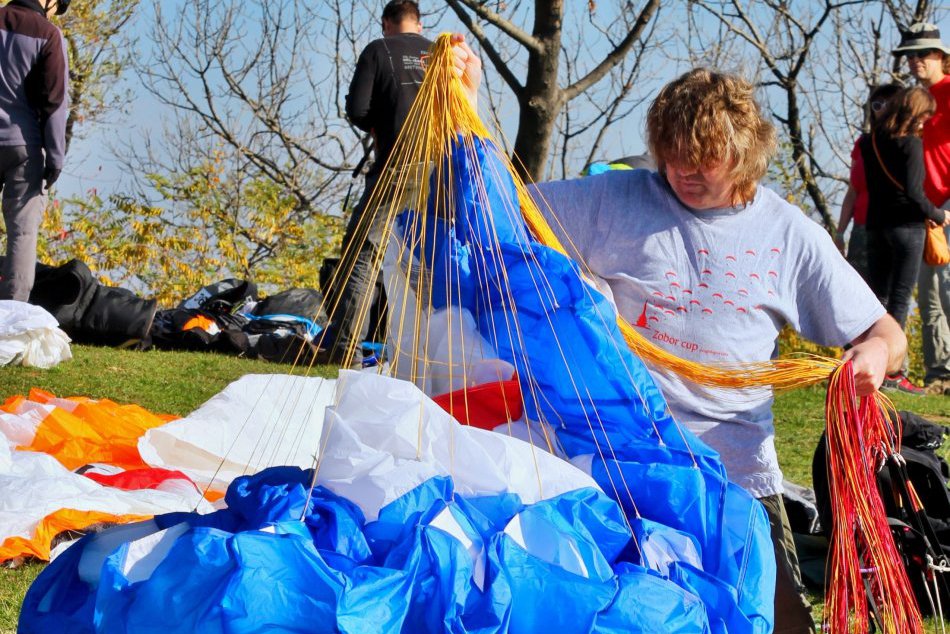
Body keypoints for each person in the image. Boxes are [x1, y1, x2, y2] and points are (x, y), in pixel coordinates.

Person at [448, 43, 906, 632]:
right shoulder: (614, 201)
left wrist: (872, 353)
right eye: (672, 157)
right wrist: (470, 102)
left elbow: (886, 334)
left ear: (743, 154)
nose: (683, 172)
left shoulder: (789, 235)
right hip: (627, 469)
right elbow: (497, 216)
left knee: (776, 622)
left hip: (737, 481)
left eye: (704, 159)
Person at [320, 0, 433, 365]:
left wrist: (378, 124)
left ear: (387, 23)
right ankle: (432, 357)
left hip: (396, 169)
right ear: (418, 23)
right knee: (426, 262)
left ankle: (345, 354)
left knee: (363, 256)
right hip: (442, 173)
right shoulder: (441, 55)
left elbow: (356, 108)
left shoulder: (378, 50)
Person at [859, 86, 947, 395]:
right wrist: (937, 215)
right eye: (924, 117)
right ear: (914, 114)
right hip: (907, 227)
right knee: (898, 300)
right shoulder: (910, 145)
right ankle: (891, 371)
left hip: (876, 225)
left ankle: (867, 363)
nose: (925, 124)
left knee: (875, 301)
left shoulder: (869, 142)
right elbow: (913, 192)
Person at [0, 0, 70, 302]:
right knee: (22, 234)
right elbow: (55, 103)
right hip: (24, 146)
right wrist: (56, 157)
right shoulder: (48, 34)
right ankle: (10, 320)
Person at [898, 23, 950, 396]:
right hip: (923, 206)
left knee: (948, 289)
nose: (914, 61)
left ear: (940, 56)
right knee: (928, 293)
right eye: (909, 55)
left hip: (948, 203)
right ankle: (939, 373)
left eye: (921, 54)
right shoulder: (913, 100)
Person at [835, 83, 901, 281]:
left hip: (896, 228)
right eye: (877, 104)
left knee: (893, 296)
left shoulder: (912, 143)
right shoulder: (863, 144)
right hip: (862, 229)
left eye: (888, 103)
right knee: (860, 291)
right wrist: (840, 234)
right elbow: (852, 191)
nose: (882, 108)